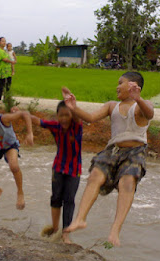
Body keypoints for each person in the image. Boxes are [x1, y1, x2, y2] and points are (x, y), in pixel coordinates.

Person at [63, 71, 154, 247]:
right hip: (113, 150)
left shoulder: (142, 105)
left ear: (133, 86)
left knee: (127, 182)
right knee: (95, 176)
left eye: (121, 83)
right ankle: (80, 219)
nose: (117, 86)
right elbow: (90, 118)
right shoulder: (112, 106)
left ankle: (115, 229)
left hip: (135, 151)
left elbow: (149, 114)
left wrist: (139, 99)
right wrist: (74, 108)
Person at [30, 93, 82, 244]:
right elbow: (37, 121)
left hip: (74, 170)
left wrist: (73, 103)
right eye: (61, 115)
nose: (64, 118)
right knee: (56, 198)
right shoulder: (55, 126)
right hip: (58, 168)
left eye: (67, 115)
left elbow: (78, 117)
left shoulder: (77, 127)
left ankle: (65, 233)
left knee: (69, 200)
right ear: (57, 116)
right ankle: (54, 228)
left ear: (72, 116)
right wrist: (21, 114)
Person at [0, 37, 16, 104]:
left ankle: (6, 98)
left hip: (8, 70)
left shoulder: (5, 51)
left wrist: (12, 65)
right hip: (2, 70)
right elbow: (4, 59)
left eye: (5, 41)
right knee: (1, 84)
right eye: (2, 41)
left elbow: (10, 57)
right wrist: (12, 62)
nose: (4, 42)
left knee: (8, 84)